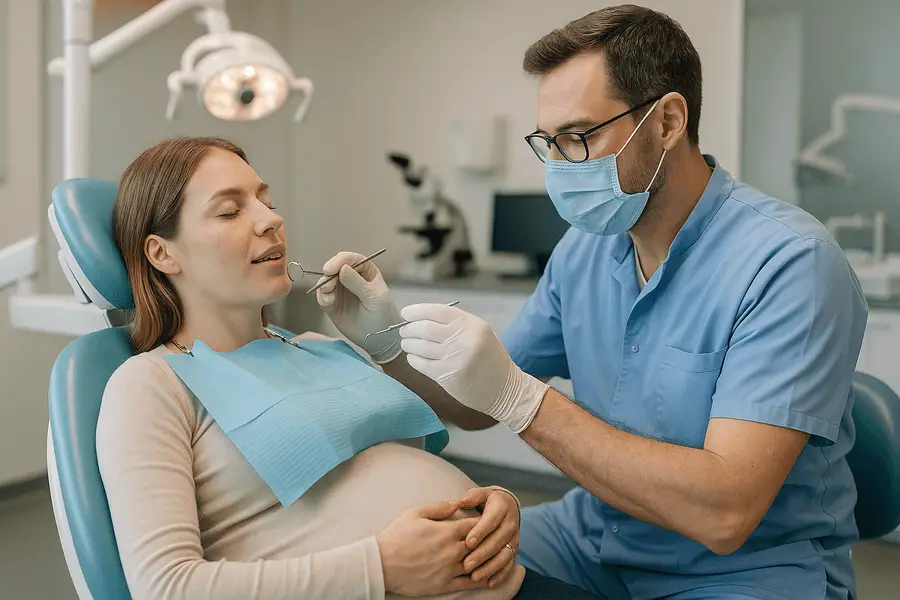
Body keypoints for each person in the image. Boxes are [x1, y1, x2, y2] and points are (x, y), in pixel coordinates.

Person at [316, 5, 868, 600]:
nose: (558, 167)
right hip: (595, 535)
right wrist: (386, 343)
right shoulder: (584, 251)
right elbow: (475, 405)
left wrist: (522, 400)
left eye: (578, 137)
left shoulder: (788, 262)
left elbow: (725, 514)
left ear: (668, 121)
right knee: (421, 570)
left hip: (745, 567)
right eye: (547, 143)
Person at [98, 136, 602, 600]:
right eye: (230, 211)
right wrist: (377, 567)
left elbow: (393, 474)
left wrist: (490, 506)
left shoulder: (318, 345)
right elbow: (166, 587)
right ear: (162, 253)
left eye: (266, 201)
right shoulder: (151, 384)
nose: (270, 219)